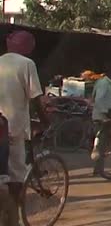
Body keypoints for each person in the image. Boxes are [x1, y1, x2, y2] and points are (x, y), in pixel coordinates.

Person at [0, 30, 48, 217]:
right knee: (16, 176)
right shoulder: (27, 64)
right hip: (13, 127)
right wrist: (44, 120)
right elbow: (36, 98)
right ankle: (14, 217)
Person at [91, 62, 111, 176]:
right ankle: (98, 168)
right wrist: (105, 114)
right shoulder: (104, 83)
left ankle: (98, 167)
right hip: (102, 116)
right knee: (101, 143)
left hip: (107, 114)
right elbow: (99, 99)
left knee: (101, 143)